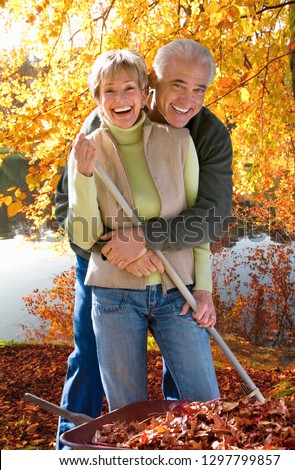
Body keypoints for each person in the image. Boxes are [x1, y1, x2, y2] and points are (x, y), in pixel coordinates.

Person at [55, 39, 232, 448]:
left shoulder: (202, 135)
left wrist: (195, 282)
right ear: (154, 83)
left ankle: (178, 444)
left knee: (190, 380)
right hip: (105, 264)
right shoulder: (95, 128)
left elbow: (210, 216)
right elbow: (73, 211)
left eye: (200, 89)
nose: (188, 100)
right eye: (178, 84)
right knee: (88, 354)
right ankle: (68, 447)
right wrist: (111, 250)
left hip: (172, 271)